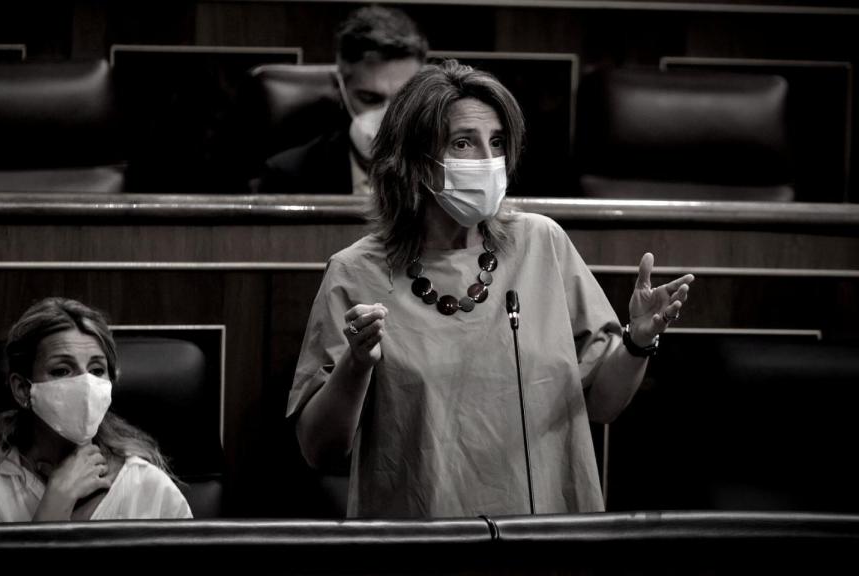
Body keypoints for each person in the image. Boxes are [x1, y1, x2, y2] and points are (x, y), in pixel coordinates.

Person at [288, 60, 694, 518]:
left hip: (546, 538)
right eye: (464, 142)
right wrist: (356, 364)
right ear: (414, 159)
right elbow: (319, 450)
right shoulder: (353, 273)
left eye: (497, 142)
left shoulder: (542, 243)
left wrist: (638, 341)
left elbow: (603, 404)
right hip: (420, 547)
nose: (487, 160)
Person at [0, 297, 193, 522]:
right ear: (23, 388)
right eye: (62, 370)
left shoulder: (149, 485)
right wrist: (58, 498)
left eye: (97, 370)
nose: (86, 385)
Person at [258, 5, 427, 195]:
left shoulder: (445, 171)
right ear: (341, 86)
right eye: (369, 98)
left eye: (403, 100)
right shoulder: (288, 177)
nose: (388, 120)